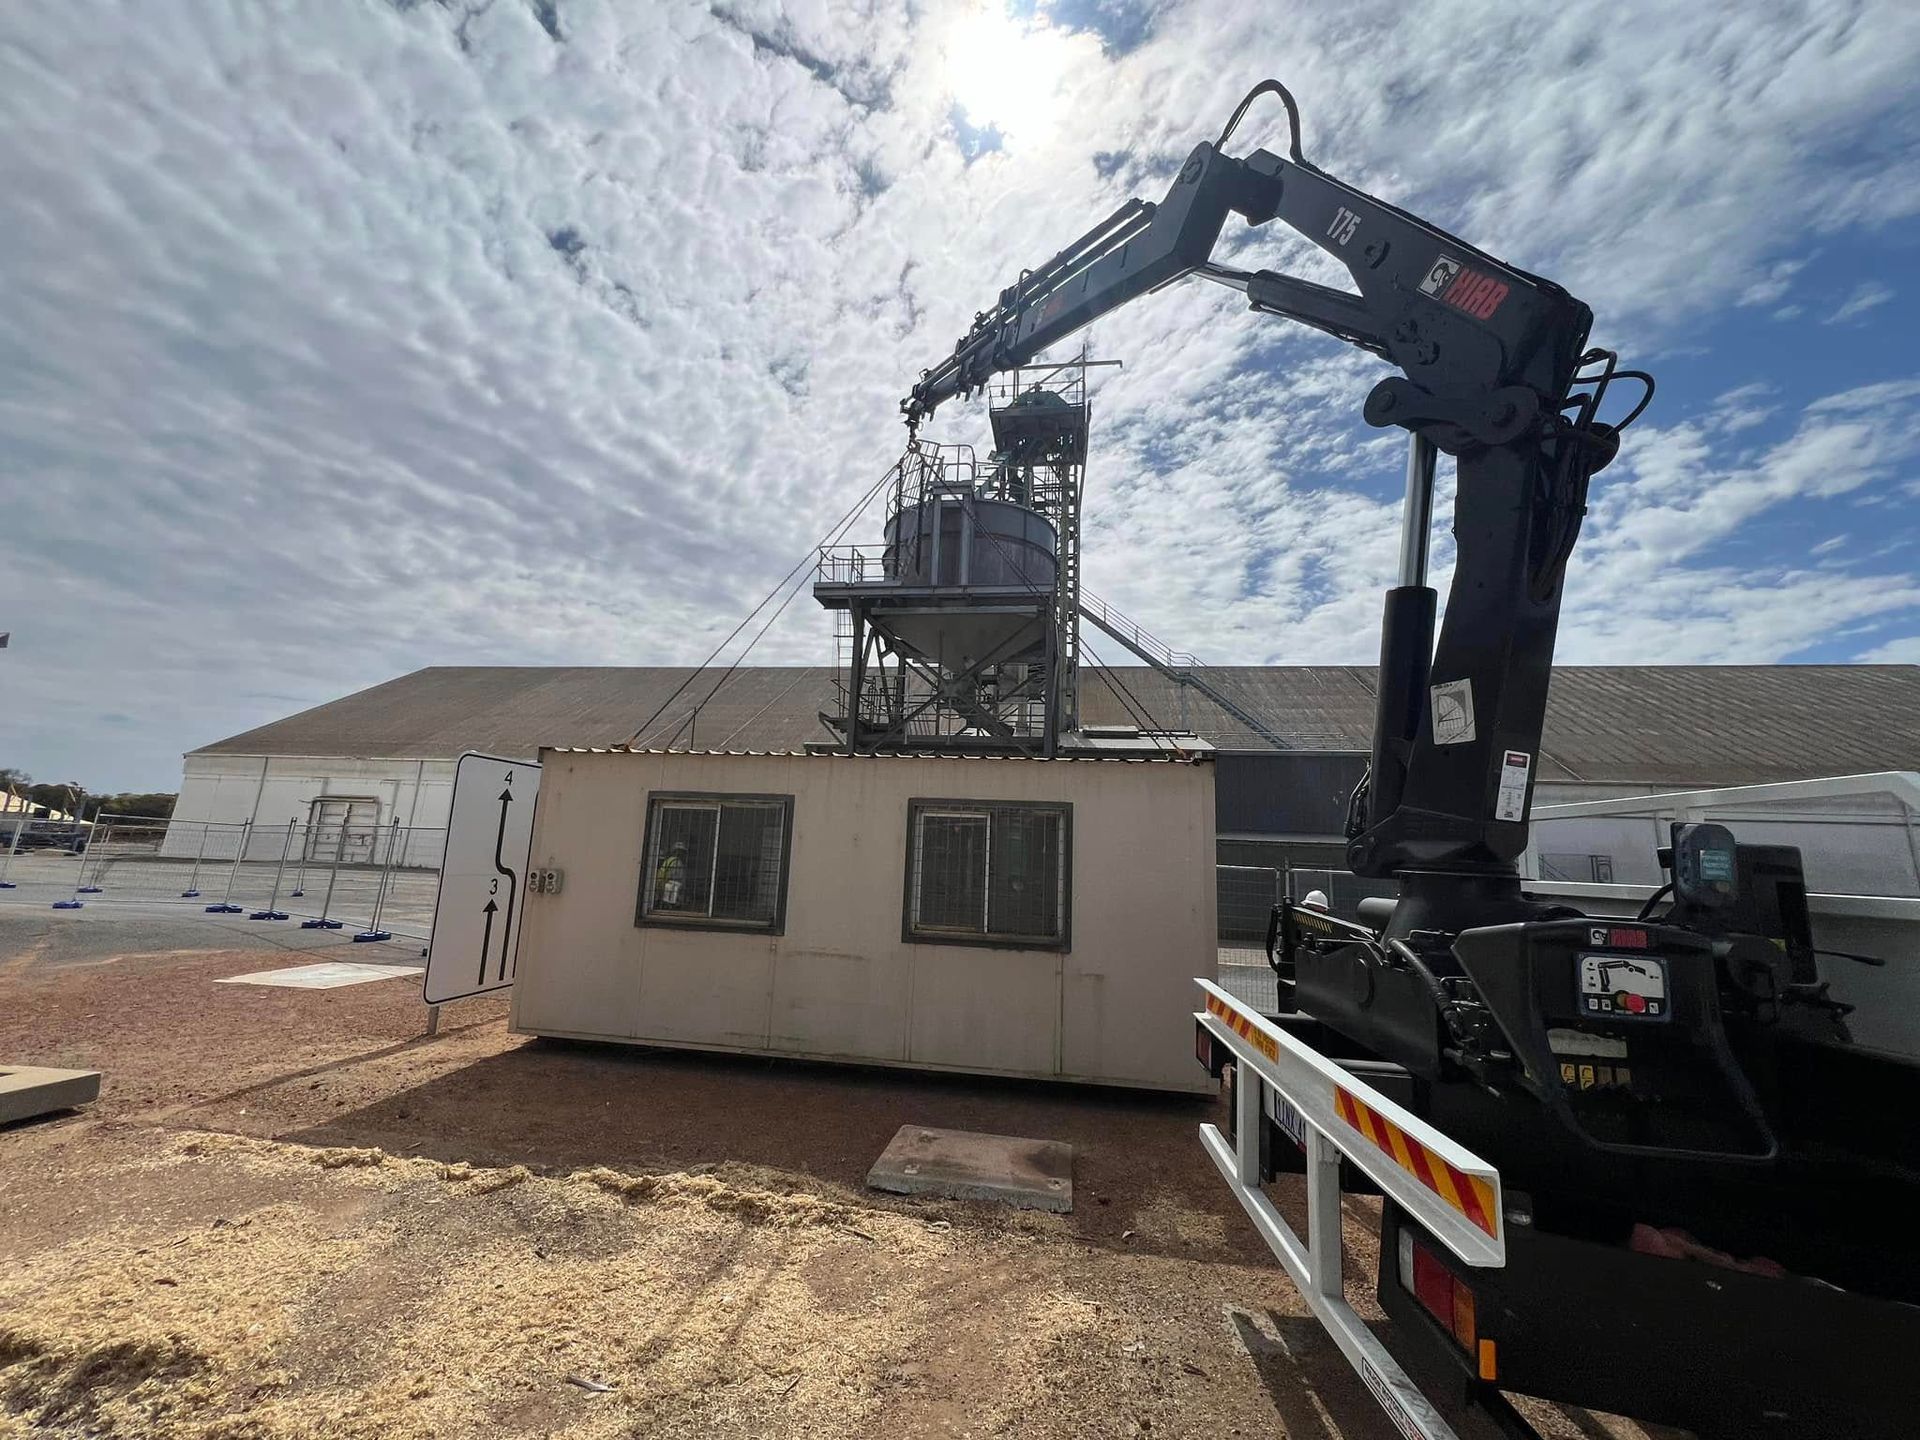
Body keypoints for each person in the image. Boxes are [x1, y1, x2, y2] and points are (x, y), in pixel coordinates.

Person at [655, 840, 690, 909]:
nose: (683, 854)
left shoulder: (669, 860)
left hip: (664, 887)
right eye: (682, 852)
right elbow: (676, 880)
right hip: (670, 889)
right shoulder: (677, 862)